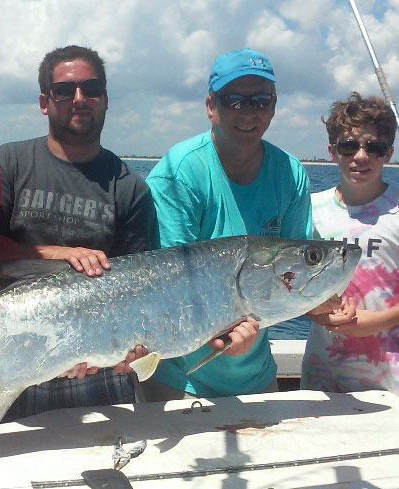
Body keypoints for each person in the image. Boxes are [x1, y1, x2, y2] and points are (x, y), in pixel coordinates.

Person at [142, 48, 350, 401]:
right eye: (234, 100)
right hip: (179, 381)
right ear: (212, 105)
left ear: (273, 106)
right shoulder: (181, 171)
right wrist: (220, 339)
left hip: (258, 376)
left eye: (260, 101)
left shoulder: (290, 172)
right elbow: (167, 286)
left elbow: (294, 275)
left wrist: (324, 305)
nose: (249, 112)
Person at [0, 45, 157, 419]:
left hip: (97, 371)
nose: (79, 99)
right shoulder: (7, 165)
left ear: (105, 100)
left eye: (91, 89)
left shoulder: (130, 188)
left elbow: (142, 289)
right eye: (65, 91)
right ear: (45, 102)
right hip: (10, 354)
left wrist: (133, 352)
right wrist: (55, 254)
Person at [301, 92, 399, 394]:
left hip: (389, 379)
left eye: (374, 147)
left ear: (388, 153)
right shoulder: (309, 209)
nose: (360, 156)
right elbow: (288, 284)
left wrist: (373, 322)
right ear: (332, 151)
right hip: (321, 374)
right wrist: (314, 311)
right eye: (348, 146)